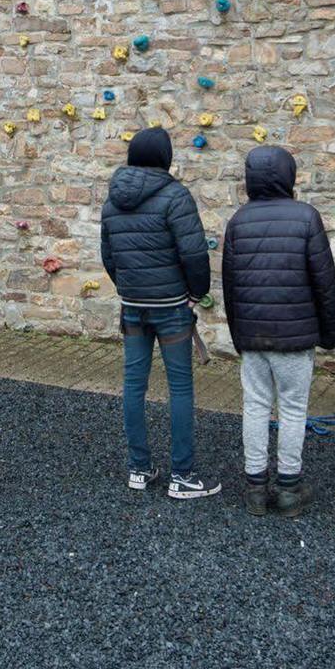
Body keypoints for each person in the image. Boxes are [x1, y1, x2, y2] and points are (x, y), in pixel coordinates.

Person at [221, 145, 335, 518]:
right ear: (289, 176)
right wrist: (332, 333)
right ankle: (289, 486)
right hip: (296, 338)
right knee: (292, 408)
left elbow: (230, 287)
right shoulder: (307, 218)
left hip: (253, 336)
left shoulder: (238, 221)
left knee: (255, 407)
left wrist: (238, 334)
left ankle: (256, 488)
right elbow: (325, 283)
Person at [100, 128, 219, 500]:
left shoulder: (112, 200)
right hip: (171, 309)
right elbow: (195, 254)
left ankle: (139, 468)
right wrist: (196, 294)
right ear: (165, 157)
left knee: (134, 385)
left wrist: (128, 287)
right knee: (180, 387)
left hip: (133, 306)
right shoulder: (175, 196)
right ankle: (181, 475)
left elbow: (109, 255)